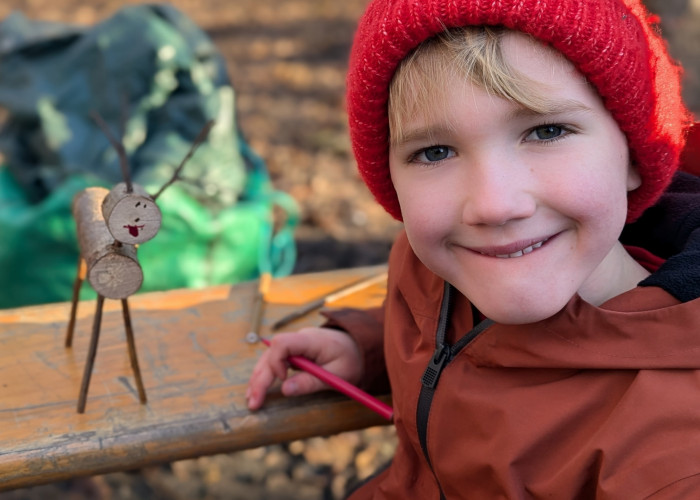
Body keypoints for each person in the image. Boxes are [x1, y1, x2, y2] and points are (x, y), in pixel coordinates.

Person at [247, 0, 700, 497]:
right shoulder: (445, 263)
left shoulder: (672, 456)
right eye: (435, 152)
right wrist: (367, 347)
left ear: (633, 154)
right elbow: (447, 332)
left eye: (547, 131)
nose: (493, 205)